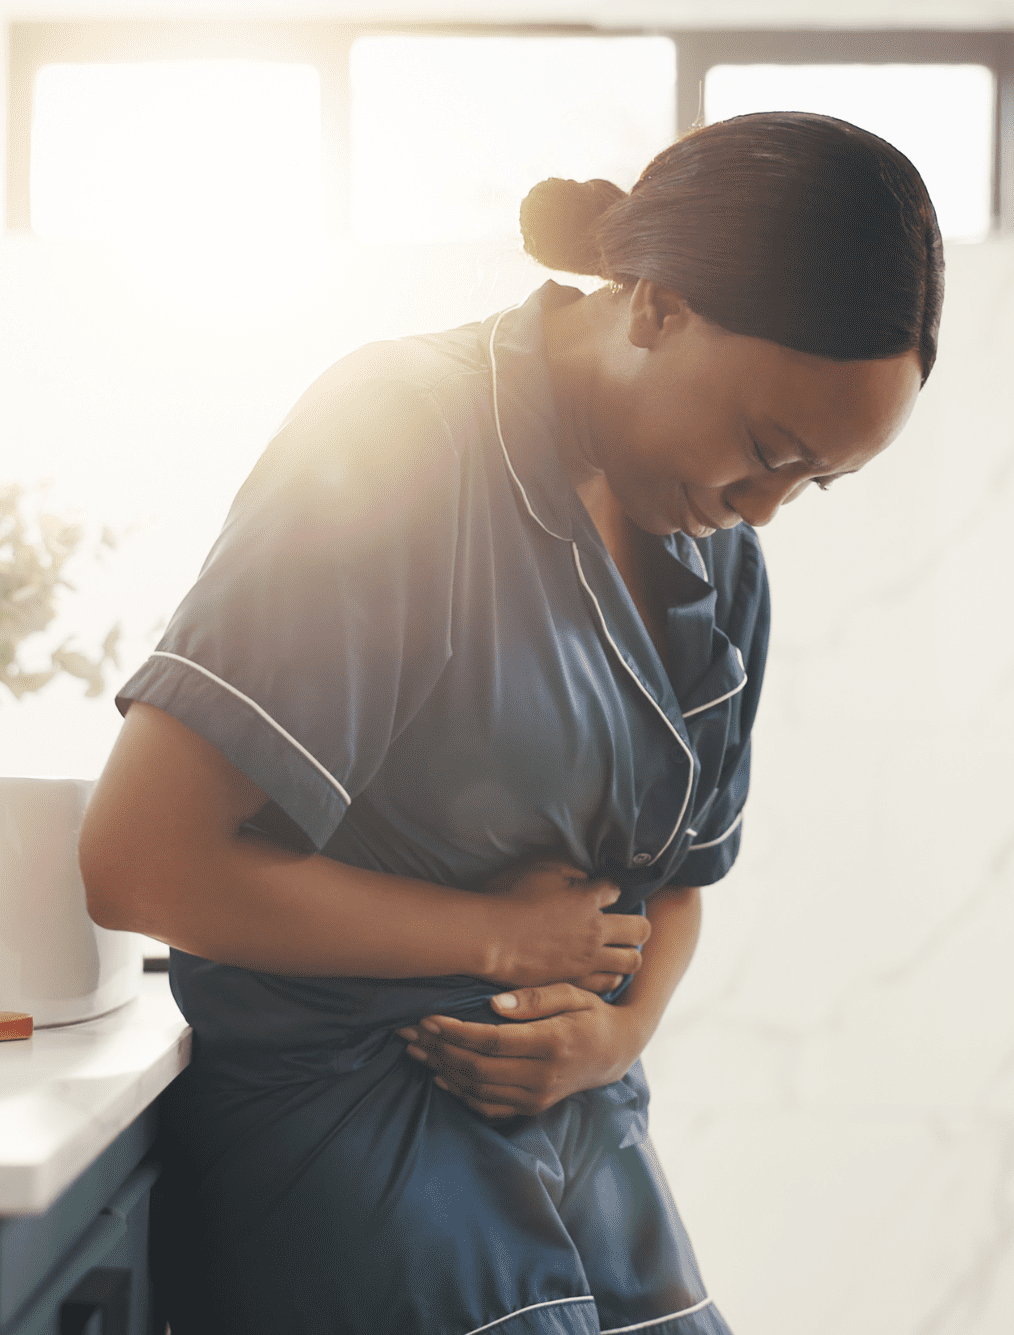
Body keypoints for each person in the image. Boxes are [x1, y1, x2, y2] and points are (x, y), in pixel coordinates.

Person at [81, 110, 943, 1335]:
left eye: (811, 481)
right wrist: (498, 939)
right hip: (353, 1147)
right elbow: (140, 862)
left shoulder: (717, 555)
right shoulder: (404, 436)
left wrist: (615, 1035)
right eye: (763, 449)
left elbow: (675, 887)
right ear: (655, 304)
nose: (764, 511)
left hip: (586, 1133)